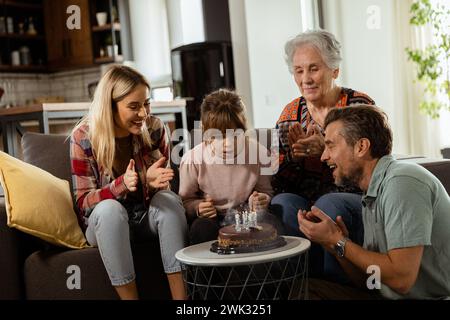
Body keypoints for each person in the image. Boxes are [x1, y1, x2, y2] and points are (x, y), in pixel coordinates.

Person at [299, 104, 450, 299]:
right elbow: (371, 282)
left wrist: (340, 241)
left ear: (361, 147)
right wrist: (336, 247)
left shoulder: (401, 183)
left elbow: (402, 280)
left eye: (330, 145)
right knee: (303, 288)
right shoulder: (372, 193)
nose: (323, 156)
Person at [70, 65, 188, 300]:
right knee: (110, 210)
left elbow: (165, 187)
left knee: (169, 201)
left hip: (145, 218)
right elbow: (84, 202)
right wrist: (121, 185)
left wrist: (155, 185)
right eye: (134, 106)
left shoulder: (155, 129)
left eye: (146, 103)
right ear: (110, 106)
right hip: (105, 224)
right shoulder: (83, 136)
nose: (143, 113)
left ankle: (182, 302)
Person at [270, 29, 375, 282]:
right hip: (308, 201)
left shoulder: (358, 107)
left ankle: (337, 287)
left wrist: (328, 151)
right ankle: (306, 285)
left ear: (334, 70)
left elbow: (375, 168)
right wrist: (295, 161)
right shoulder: (289, 115)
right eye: (299, 70)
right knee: (283, 203)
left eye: (314, 68)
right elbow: (278, 183)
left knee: (327, 206)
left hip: (355, 200)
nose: (306, 78)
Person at [179, 89, 282, 245]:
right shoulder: (192, 159)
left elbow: (266, 192)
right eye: (218, 136)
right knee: (200, 228)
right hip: (212, 219)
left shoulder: (259, 153)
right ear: (206, 133)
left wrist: (262, 200)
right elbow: (185, 201)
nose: (228, 143)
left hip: (247, 216)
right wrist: (198, 207)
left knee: (271, 223)